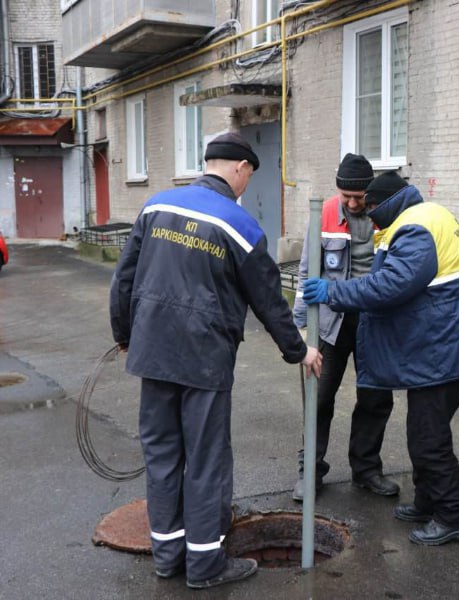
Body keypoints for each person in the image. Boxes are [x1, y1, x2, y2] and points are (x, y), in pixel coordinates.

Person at [109, 132, 322, 589]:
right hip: (204, 362)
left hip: (153, 353)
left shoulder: (155, 206)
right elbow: (268, 300)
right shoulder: (239, 225)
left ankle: (168, 558)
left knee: (163, 456)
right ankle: (205, 566)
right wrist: (299, 350)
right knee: (205, 460)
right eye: (248, 176)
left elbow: (123, 279)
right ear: (240, 169)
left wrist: (125, 336)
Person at [302, 171, 459, 546]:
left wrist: (334, 290)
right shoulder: (427, 214)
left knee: (429, 438)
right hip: (447, 342)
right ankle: (428, 502)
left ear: (383, 204)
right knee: (425, 430)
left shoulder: (413, 229)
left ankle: (455, 516)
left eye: (371, 207)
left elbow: (390, 285)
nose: (368, 214)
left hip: (447, 348)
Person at [291, 153, 399, 501]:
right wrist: (300, 327)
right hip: (330, 321)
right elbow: (308, 271)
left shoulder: (386, 217)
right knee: (318, 398)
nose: (352, 203)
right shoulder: (322, 214)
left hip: (375, 320)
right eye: (346, 196)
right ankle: (310, 471)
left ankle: (366, 470)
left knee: (375, 397)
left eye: (359, 197)